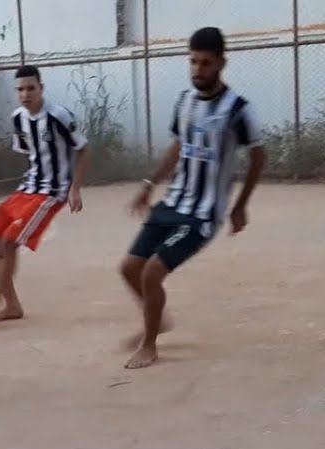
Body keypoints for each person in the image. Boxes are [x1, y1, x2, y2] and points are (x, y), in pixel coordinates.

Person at [122, 27, 267, 369]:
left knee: (151, 272)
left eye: (205, 63)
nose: (198, 70)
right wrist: (149, 184)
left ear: (221, 63)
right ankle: (159, 317)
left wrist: (241, 204)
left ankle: (149, 343)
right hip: (174, 202)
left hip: (204, 214)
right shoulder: (185, 101)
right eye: (193, 62)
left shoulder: (238, 110)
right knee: (129, 268)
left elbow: (259, 156)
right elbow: (177, 147)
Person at [0, 65, 90, 329]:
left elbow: (83, 149)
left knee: (10, 243)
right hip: (29, 186)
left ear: (41, 88)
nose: (25, 94)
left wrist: (74, 188)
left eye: (30, 88)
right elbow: (27, 151)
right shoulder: (18, 118)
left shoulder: (59, 116)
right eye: (20, 89)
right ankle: (12, 305)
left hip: (52, 192)